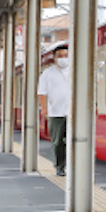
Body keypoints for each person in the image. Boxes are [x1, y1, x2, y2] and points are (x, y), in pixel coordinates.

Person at [37, 44, 71, 177]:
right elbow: (42, 93)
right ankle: (59, 166)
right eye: (60, 56)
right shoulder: (47, 73)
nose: (63, 58)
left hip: (73, 113)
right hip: (55, 113)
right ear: (54, 58)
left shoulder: (75, 71)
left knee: (73, 140)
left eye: (66, 56)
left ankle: (72, 165)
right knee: (57, 142)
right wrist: (44, 109)